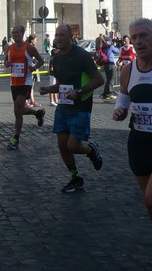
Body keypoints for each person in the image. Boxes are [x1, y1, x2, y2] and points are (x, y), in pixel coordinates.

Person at [112, 18, 152, 268]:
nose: (138, 41)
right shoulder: (128, 70)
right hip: (139, 143)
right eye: (134, 37)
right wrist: (120, 111)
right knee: (150, 203)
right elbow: (124, 100)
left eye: (143, 36)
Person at [39, 24, 104, 193]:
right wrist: (48, 89)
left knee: (73, 146)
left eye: (62, 35)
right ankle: (76, 177)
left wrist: (79, 91)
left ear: (70, 36)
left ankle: (91, 149)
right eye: (56, 35)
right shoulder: (57, 58)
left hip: (81, 107)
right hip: (63, 107)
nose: (58, 38)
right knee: (62, 145)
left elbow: (99, 80)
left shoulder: (82, 56)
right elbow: (60, 85)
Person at [4, 25, 45, 150]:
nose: (14, 35)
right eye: (13, 32)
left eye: (17, 32)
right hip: (14, 82)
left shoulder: (29, 48)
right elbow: (6, 62)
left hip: (25, 82)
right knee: (19, 110)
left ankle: (16, 138)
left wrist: (34, 68)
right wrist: (8, 63)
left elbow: (41, 61)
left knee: (17, 110)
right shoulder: (9, 48)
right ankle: (37, 113)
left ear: (22, 34)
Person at [25, 34, 41, 108]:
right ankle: (26, 101)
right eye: (35, 39)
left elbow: (40, 60)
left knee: (31, 86)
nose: (36, 41)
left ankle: (32, 101)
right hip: (27, 69)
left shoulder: (33, 48)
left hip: (33, 68)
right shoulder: (27, 47)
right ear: (32, 40)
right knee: (26, 86)